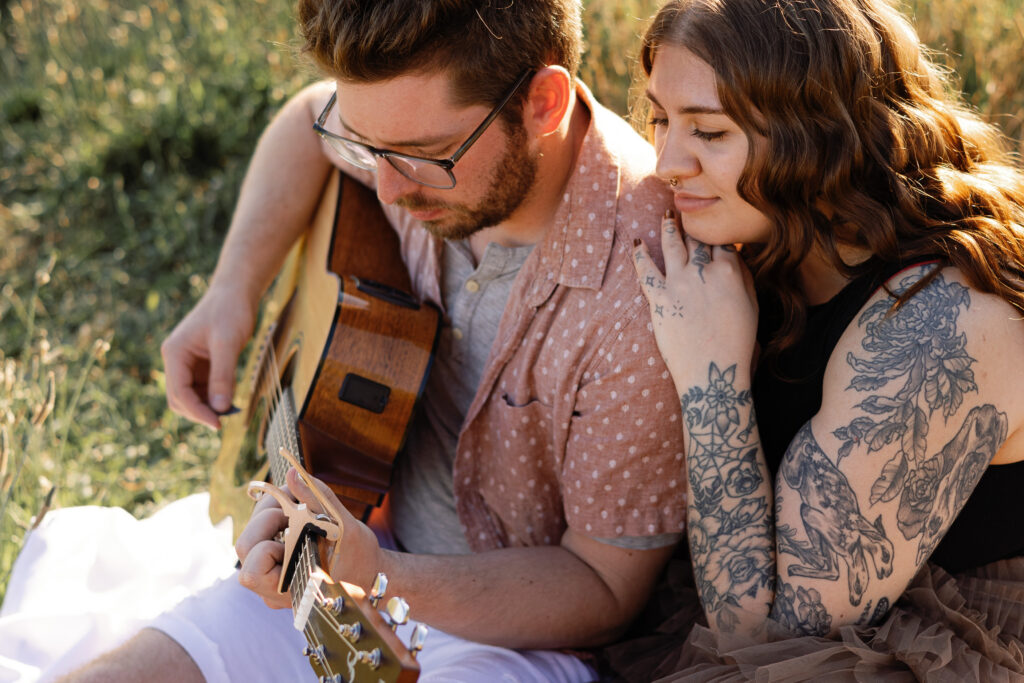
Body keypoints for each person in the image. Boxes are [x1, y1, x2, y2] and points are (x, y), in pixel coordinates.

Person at [63, 1, 686, 682]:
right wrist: (233, 291)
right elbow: (306, 122)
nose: (387, 187)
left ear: (543, 103)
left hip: (516, 638)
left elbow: (603, 589)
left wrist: (378, 571)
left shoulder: (645, 289)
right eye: (365, 146)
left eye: (422, 157)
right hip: (359, 539)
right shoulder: (412, 128)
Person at [620, 0, 1024, 679]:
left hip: (930, 644)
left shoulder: (945, 316)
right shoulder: (767, 249)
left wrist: (710, 377)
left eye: (709, 132)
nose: (666, 163)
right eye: (661, 119)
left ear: (821, 134)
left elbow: (770, 640)